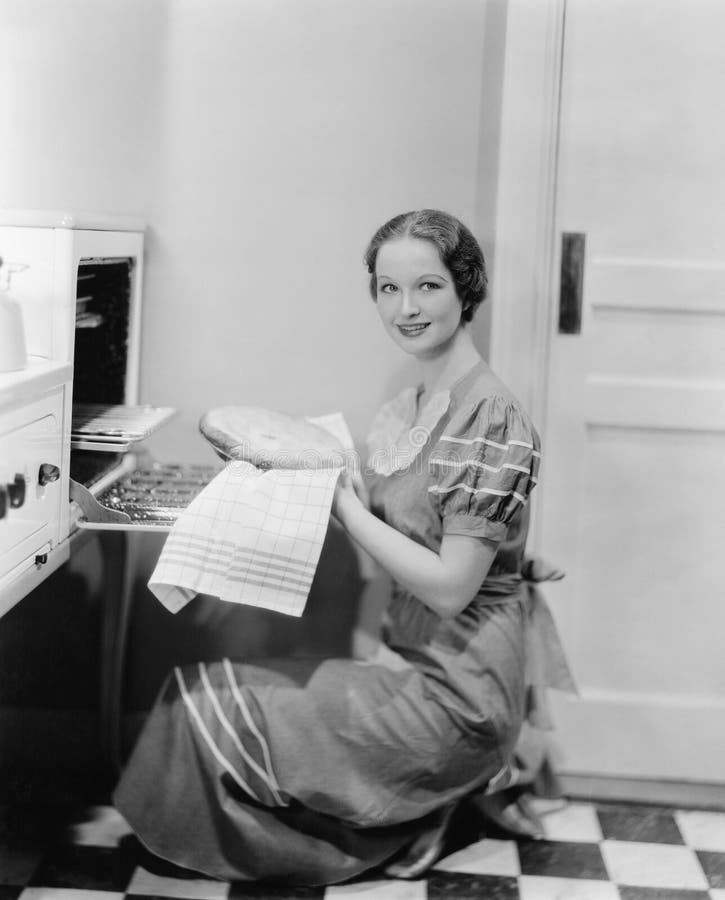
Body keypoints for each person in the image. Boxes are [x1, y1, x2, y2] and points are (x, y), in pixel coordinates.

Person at [113, 209, 541, 885]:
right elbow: (435, 531)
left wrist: (339, 498)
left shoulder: (487, 413)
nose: (405, 308)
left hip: (458, 692)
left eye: (427, 286)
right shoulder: (416, 399)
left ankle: (400, 826)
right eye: (386, 288)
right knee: (198, 688)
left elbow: (451, 586)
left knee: (204, 701)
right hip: (412, 654)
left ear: (466, 288)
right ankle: (414, 821)